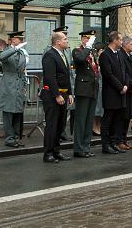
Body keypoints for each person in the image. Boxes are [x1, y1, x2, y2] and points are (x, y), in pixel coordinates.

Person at [40, 31, 74, 163]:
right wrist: (57, 95)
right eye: (65, 39)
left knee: (60, 125)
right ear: (58, 42)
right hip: (52, 96)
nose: (67, 40)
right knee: (52, 125)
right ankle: (48, 153)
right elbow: (50, 77)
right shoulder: (50, 55)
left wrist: (69, 93)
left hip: (63, 95)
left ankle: (56, 150)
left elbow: (66, 76)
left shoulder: (63, 54)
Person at [0, 31, 29, 148]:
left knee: (17, 113)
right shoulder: (6, 51)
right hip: (8, 86)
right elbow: (1, 57)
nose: (19, 41)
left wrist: (25, 86)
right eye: (17, 39)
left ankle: (16, 137)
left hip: (19, 85)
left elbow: (23, 71)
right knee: (8, 113)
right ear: (11, 40)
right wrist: (15, 49)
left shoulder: (21, 53)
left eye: (20, 39)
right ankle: (9, 138)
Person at [99, 31, 128, 154]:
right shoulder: (105, 55)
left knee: (117, 120)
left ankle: (113, 142)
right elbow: (108, 75)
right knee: (108, 120)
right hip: (111, 93)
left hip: (121, 92)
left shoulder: (119, 54)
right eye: (120, 40)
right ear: (115, 40)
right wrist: (120, 87)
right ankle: (106, 145)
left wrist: (126, 85)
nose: (122, 42)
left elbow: (124, 71)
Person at [71, 30, 99, 158]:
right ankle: (78, 148)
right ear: (83, 39)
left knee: (89, 120)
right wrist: (87, 47)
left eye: (91, 39)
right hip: (83, 89)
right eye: (87, 38)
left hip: (92, 89)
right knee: (81, 120)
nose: (90, 41)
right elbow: (81, 59)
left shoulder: (92, 52)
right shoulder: (77, 51)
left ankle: (86, 146)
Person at [119, 36, 132, 150]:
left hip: (131, 89)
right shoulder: (121, 55)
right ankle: (120, 140)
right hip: (126, 88)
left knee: (129, 116)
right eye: (131, 44)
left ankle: (124, 139)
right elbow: (125, 73)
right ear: (125, 44)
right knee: (123, 117)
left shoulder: (130, 56)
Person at [93, 43, 106, 136]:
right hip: (97, 87)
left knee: (101, 109)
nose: (102, 52)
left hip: (103, 87)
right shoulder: (95, 61)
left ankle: (98, 126)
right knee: (96, 109)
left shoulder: (104, 60)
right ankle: (94, 127)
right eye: (101, 50)